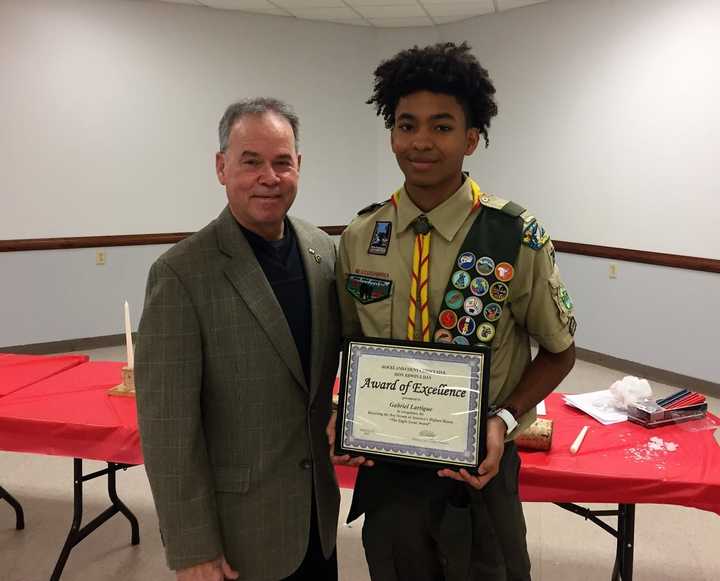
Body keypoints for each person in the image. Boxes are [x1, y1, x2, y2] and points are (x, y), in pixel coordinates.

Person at [335, 42, 577, 580]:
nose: (420, 141)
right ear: (392, 133)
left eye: (441, 127)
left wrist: (504, 418)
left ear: (471, 139)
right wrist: (344, 415)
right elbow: (349, 344)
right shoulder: (359, 237)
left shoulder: (514, 236)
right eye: (406, 124)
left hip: (481, 470)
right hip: (390, 474)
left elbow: (560, 353)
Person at [135, 98, 342, 581]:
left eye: (281, 162)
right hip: (239, 533)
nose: (268, 176)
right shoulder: (182, 273)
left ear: (298, 167)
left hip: (317, 517)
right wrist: (191, 546)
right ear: (221, 166)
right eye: (251, 161)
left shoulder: (324, 252)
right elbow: (167, 427)